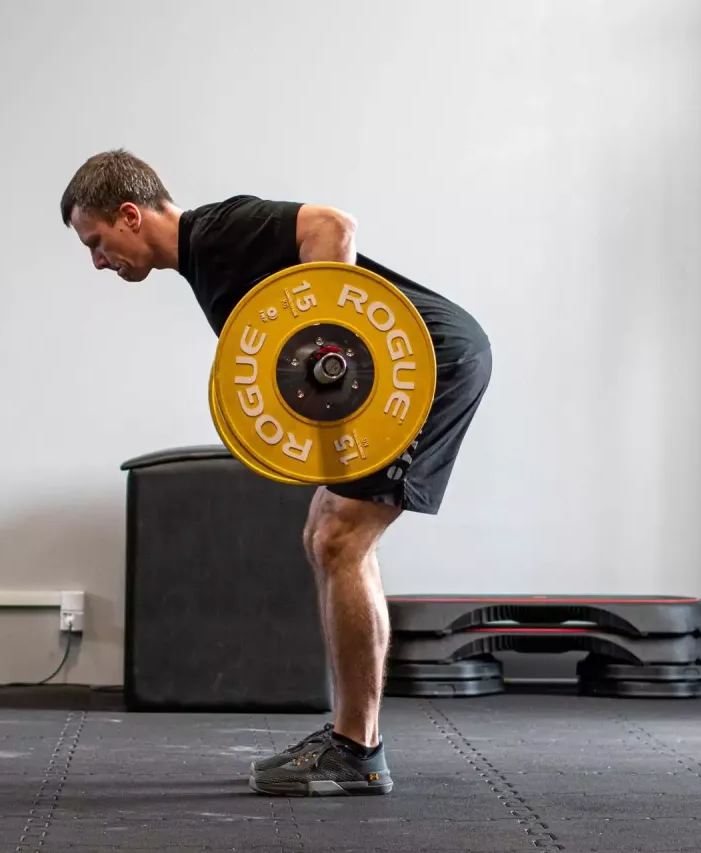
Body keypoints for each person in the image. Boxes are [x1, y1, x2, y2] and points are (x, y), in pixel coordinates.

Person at [60, 149, 492, 797]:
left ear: (129, 214)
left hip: (428, 363)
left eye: (96, 242)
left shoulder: (218, 229)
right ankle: (352, 737)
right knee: (324, 532)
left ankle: (357, 746)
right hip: (400, 371)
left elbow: (333, 227)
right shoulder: (204, 264)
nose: (97, 261)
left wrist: (329, 344)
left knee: (343, 538)